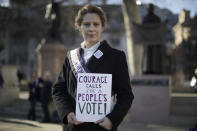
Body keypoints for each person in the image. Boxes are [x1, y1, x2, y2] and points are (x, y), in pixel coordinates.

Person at [52, 4, 134, 131]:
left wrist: (112, 120)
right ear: (79, 27)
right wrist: (67, 113)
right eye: (86, 24)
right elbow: (58, 90)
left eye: (96, 24)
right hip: (74, 127)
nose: (91, 28)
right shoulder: (71, 57)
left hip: (101, 127)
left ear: (102, 27)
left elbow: (126, 95)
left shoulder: (116, 57)